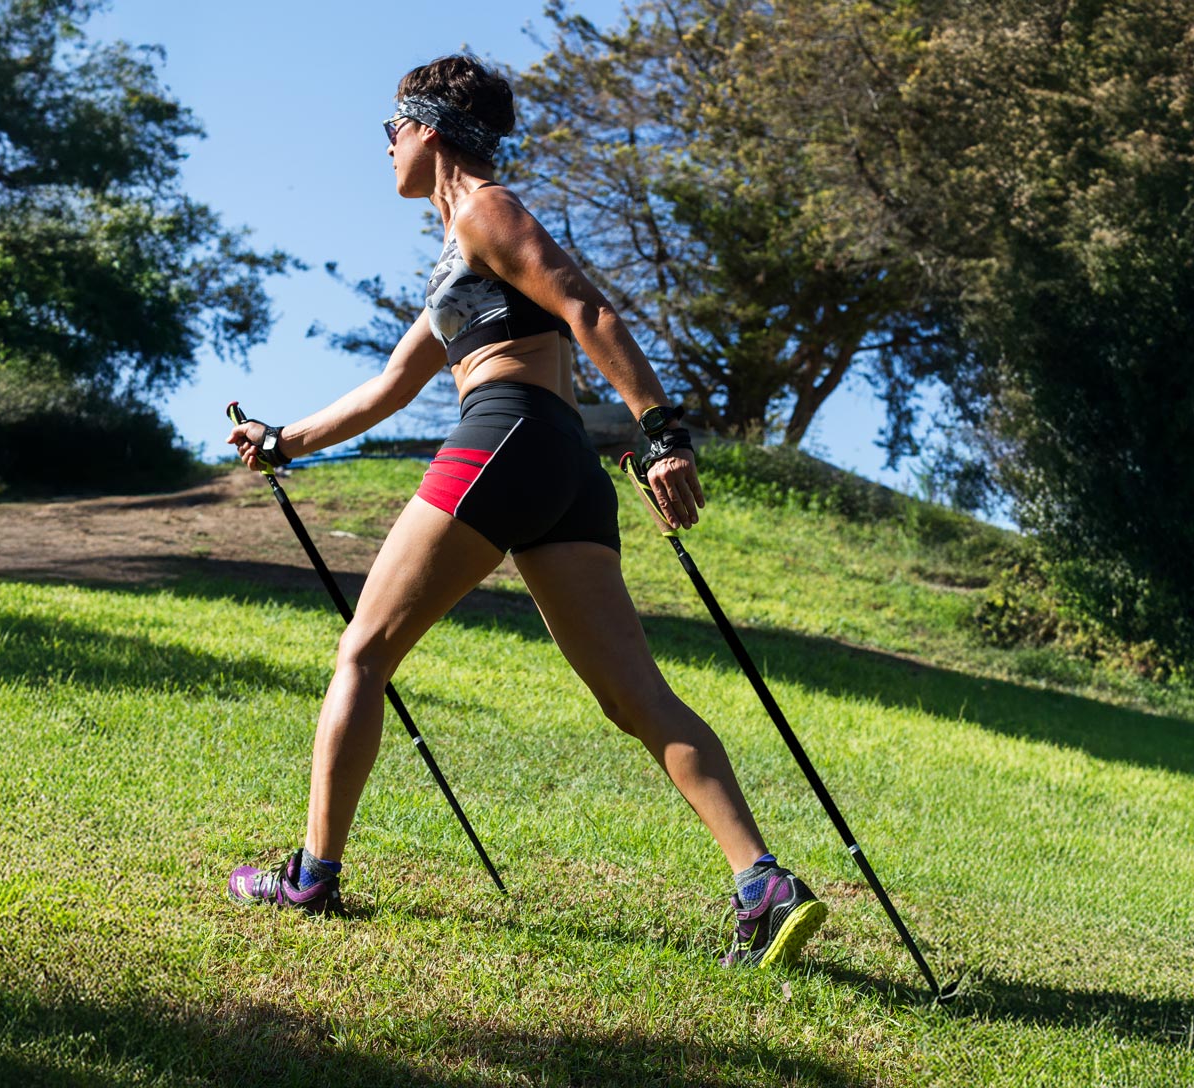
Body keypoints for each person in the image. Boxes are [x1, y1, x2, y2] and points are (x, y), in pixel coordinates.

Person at [225, 54, 826, 969]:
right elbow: (391, 386)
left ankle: (311, 874)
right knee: (634, 695)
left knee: (363, 651)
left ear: (428, 131)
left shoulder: (486, 210)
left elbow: (587, 306)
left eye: (392, 130)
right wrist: (284, 441)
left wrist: (661, 430)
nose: (385, 148)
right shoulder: (459, 250)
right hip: (559, 464)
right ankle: (764, 883)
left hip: (503, 436)